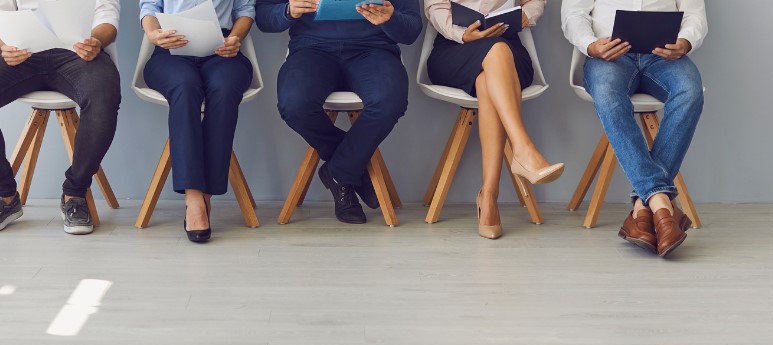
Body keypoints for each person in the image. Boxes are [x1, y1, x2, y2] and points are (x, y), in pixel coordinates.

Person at [0, 0, 121, 235]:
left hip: (79, 55)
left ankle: (75, 192)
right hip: (24, 54)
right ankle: (5, 195)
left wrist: (96, 41)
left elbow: (108, 15)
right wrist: (5, 46)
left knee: (104, 96)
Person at [561, 0, 706, 257]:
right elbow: (573, 13)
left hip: (663, 57)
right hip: (609, 56)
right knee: (608, 96)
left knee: (690, 93)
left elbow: (695, 15)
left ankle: (643, 205)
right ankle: (661, 203)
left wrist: (685, 42)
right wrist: (591, 45)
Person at [255, 0, 421, 224]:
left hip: (374, 50)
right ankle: (354, 172)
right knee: (294, 104)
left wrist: (391, 18)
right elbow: (264, 18)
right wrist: (286, 11)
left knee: (389, 101)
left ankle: (339, 172)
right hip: (311, 49)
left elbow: (411, 30)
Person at [425, 0, 563, 239]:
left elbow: (537, 1)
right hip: (456, 46)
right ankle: (522, 149)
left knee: (488, 76)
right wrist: (462, 34)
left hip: (508, 50)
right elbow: (435, 7)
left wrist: (525, 16)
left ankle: (488, 195)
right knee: (493, 58)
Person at [140, 0, 255, 243]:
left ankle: (206, 194)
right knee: (185, 86)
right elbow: (149, 7)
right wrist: (153, 34)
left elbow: (244, 10)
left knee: (224, 89)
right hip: (170, 48)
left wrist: (235, 37)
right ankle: (193, 198)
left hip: (221, 47)